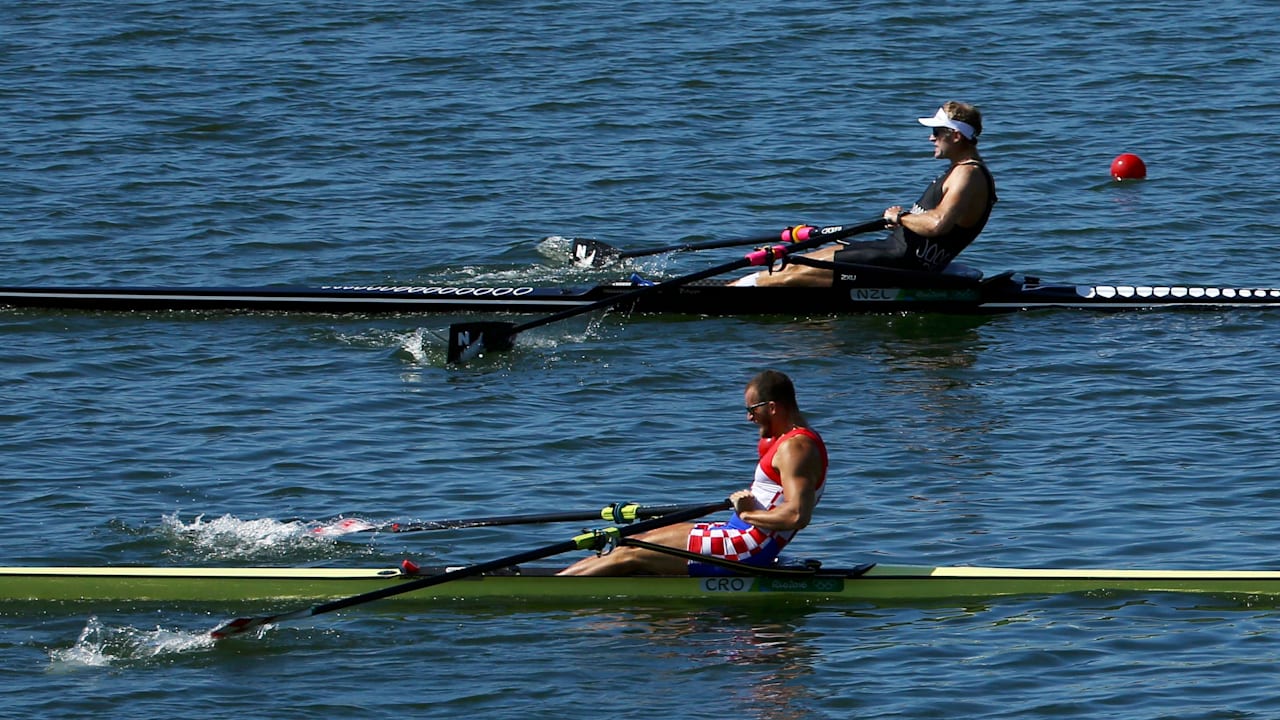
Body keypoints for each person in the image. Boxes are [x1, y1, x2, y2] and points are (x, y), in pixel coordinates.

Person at [558, 369, 827, 576]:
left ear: (772, 407)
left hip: (747, 546)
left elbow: (797, 515)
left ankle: (549, 588)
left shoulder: (797, 447)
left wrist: (747, 513)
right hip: (738, 533)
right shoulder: (788, 440)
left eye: (751, 410)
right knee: (634, 541)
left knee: (630, 552)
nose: (748, 418)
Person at [733, 101, 997, 287]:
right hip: (892, 250)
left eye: (936, 132)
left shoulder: (968, 175)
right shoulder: (958, 171)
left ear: (956, 136)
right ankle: (739, 286)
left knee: (792, 274)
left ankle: (730, 292)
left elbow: (938, 225)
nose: (931, 138)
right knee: (792, 263)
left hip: (904, 263)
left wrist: (900, 217)